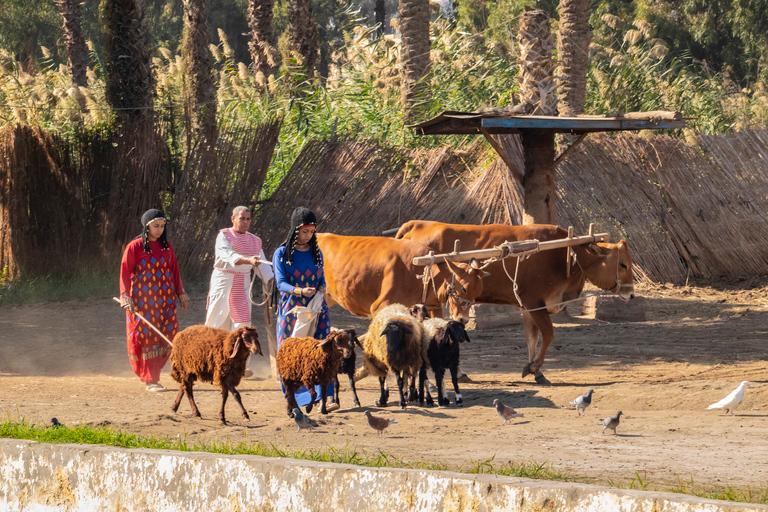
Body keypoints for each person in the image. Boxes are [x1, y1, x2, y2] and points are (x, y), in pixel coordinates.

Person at [272, 206, 337, 412]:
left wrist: (322, 287)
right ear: (295, 230)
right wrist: (300, 291)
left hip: (317, 308)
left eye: (311, 232)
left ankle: (326, 398)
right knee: (290, 352)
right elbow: (280, 283)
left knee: (324, 350)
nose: (308, 236)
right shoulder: (281, 253)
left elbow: (322, 277)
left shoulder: (317, 252)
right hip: (292, 309)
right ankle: (295, 400)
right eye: (304, 232)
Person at [119, 209, 188, 392]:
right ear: (146, 226)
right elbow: (125, 273)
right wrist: (125, 297)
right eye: (156, 226)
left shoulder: (167, 247)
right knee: (148, 338)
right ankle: (151, 380)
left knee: (171, 334)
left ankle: (170, 372)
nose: (159, 230)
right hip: (143, 301)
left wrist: (181, 292)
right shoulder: (134, 247)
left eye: (162, 226)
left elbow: (174, 271)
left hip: (166, 300)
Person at [205, 206, 273, 377]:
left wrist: (272, 281)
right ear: (233, 218)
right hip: (224, 281)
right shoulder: (224, 235)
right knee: (217, 320)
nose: (245, 222)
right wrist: (247, 260)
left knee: (242, 325)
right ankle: (208, 362)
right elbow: (227, 255)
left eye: (248, 219)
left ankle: (239, 365)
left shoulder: (255, 241)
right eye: (242, 218)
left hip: (242, 284)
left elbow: (262, 264)